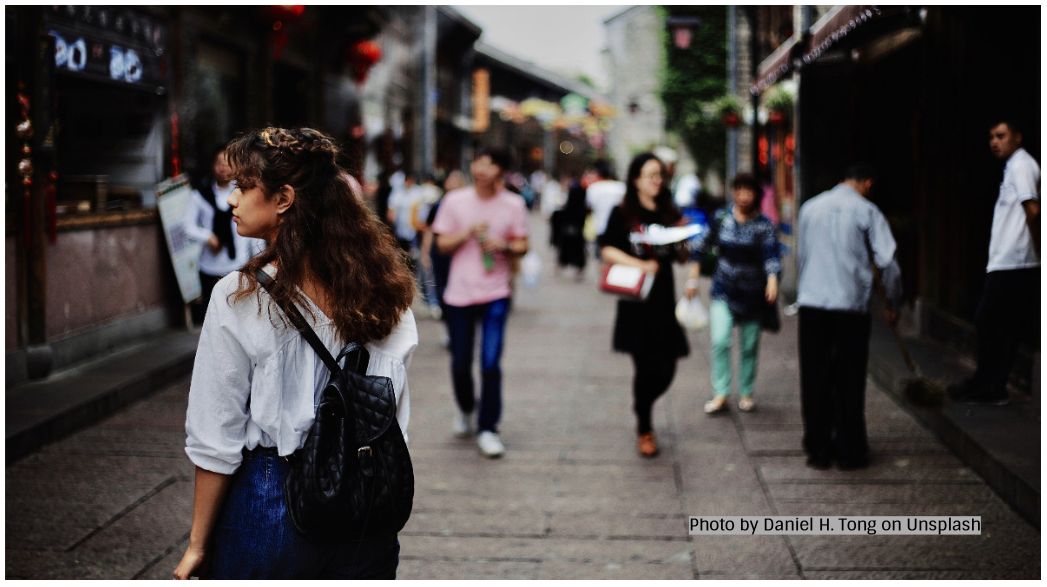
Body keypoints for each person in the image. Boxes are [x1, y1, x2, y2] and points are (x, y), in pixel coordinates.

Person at [174, 127, 418, 580]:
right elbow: (393, 412)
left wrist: (197, 544)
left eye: (244, 187)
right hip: (367, 505)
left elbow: (215, 434)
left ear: (284, 198)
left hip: (273, 499)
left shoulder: (240, 294)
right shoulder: (386, 290)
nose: (232, 200)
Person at [796, 163, 902, 471]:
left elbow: (803, 256)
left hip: (812, 303)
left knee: (814, 377)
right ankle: (849, 450)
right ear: (867, 183)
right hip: (850, 307)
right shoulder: (867, 211)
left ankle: (818, 448)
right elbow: (889, 262)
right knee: (849, 378)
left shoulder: (810, 208)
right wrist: (893, 302)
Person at [431, 146, 530, 458]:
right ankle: (465, 408)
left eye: (489, 164)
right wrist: (467, 233)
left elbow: (523, 244)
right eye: (478, 162)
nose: (481, 168)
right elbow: (441, 244)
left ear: (500, 170)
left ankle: (488, 428)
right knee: (460, 363)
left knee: (490, 363)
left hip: (496, 293)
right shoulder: (454, 200)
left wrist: (505, 245)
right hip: (459, 294)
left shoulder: (513, 204)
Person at [598, 152, 690, 458]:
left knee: (667, 366)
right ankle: (645, 428)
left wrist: (683, 239)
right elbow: (607, 250)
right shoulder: (623, 212)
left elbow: (682, 257)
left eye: (660, 175)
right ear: (635, 179)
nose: (657, 181)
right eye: (651, 175)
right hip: (637, 301)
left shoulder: (668, 211)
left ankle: (642, 403)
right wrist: (640, 264)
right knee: (644, 365)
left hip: (663, 299)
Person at [948, 118, 1040, 405]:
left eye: (1000, 136)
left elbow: (1033, 210)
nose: (994, 142)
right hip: (1008, 260)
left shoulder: (1023, 165)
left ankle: (990, 383)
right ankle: (989, 383)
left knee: (988, 321)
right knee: (1003, 324)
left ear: (1018, 137)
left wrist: (1037, 249)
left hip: (1015, 261)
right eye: (991, 137)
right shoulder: (1013, 166)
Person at [686, 173, 782, 415]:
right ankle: (721, 393)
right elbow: (700, 247)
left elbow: (772, 256)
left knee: (749, 346)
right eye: (738, 190)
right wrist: (692, 278)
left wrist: (772, 281)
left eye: (748, 191)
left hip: (753, 295)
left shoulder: (764, 225)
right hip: (723, 291)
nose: (742, 196)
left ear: (756, 195)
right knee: (720, 340)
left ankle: (746, 392)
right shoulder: (722, 218)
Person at [183, 146, 266, 325]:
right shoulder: (200, 195)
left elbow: (254, 229)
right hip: (209, 266)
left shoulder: (244, 193)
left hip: (238, 265)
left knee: (238, 317)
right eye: (219, 163)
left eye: (228, 163)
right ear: (212, 165)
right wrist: (208, 236)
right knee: (212, 319)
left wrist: (260, 259)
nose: (223, 168)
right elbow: (187, 225)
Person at [585, 159, 627, 259]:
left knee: (601, 256)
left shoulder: (593, 188)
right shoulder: (621, 187)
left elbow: (589, 207)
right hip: (619, 228)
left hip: (600, 227)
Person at [556, 179, 589, 279]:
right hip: (578, 231)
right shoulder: (582, 209)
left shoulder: (568, 208)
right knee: (579, 249)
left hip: (568, 231)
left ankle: (562, 263)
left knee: (566, 248)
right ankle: (578, 267)